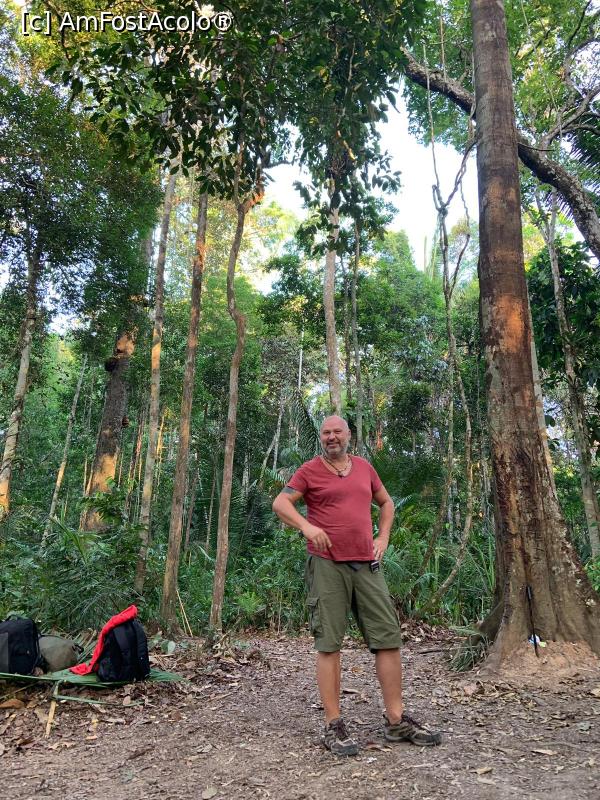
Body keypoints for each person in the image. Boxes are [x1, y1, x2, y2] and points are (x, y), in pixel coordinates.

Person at [272, 415, 442, 756]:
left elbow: (386, 503)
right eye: (326, 432)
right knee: (329, 643)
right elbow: (281, 503)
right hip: (327, 565)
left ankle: (396, 720)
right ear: (321, 437)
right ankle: (333, 724)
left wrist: (384, 537)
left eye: (337, 431)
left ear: (349, 435)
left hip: (367, 564)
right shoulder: (309, 470)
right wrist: (307, 527)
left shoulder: (364, 468)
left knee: (387, 638)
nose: (331, 437)